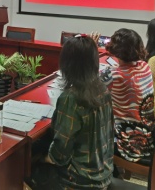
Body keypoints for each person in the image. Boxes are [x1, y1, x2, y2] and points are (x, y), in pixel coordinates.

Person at [30, 35, 114, 189]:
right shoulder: (102, 88)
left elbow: (59, 155)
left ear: (67, 64)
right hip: (104, 172)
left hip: (79, 180)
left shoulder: (71, 98)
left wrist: (41, 158)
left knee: (26, 165)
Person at [102, 28, 155, 164]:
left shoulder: (113, 75)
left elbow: (89, 87)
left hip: (128, 145)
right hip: (148, 137)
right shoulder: (145, 66)